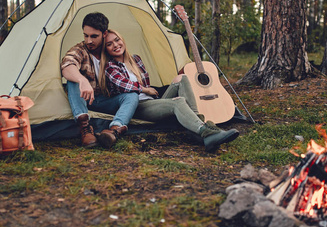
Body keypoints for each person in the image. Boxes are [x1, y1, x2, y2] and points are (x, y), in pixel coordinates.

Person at [99, 29, 240, 153]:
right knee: (178, 102)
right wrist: (145, 90)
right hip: (138, 107)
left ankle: (197, 127)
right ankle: (205, 131)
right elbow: (124, 85)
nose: (116, 45)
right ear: (106, 49)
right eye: (109, 44)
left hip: (152, 102)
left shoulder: (136, 59)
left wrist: (150, 92)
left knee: (182, 78)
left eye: (117, 40)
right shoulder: (110, 66)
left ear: (122, 40)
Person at [61, 13, 139, 148]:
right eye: (86, 35)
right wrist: (82, 80)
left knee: (132, 95)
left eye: (94, 36)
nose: (89, 40)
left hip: (105, 100)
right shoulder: (80, 50)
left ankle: (114, 130)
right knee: (73, 80)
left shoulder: (110, 49)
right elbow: (67, 65)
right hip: (84, 99)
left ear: (104, 33)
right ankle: (85, 129)